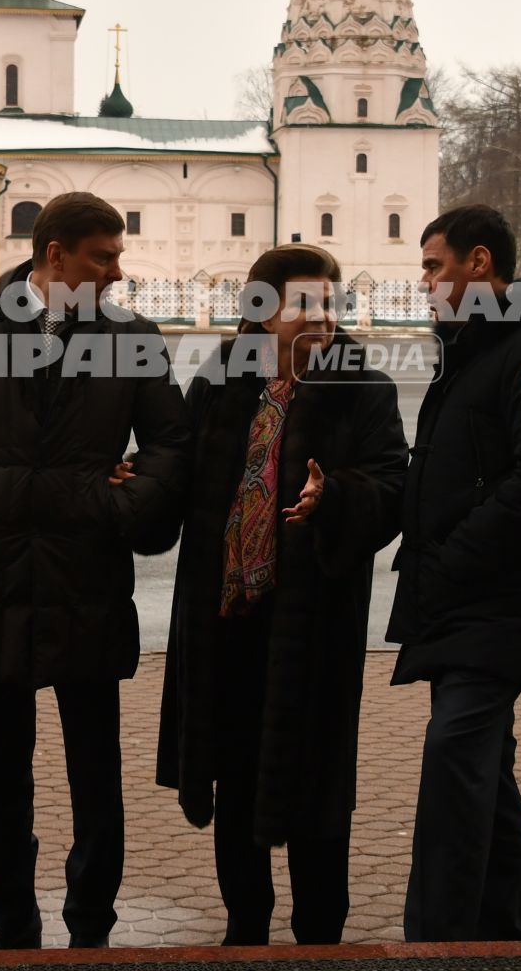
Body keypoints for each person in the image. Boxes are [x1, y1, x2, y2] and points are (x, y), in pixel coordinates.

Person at [0, 192, 192, 950]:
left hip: (88, 575)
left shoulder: (132, 337)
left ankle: (91, 918)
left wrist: (120, 509)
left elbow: (171, 444)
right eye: (104, 257)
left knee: (96, 774)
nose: (118, 273)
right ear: (53, 254)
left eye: (117, 256)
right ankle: (12, 916)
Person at [158, 244, 408, 945]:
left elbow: (392, 486)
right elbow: (177, 476)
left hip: (313, 622)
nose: (322, 317)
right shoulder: (218, 385)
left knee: (317, 786)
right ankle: (245, 925)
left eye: (330, 302)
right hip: (227, 619)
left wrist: (337, 498)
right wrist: (133, 480)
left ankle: (321, 933)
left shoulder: (364, 388)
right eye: (305, 303)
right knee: (234, 778)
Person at [386, 204, 521, 942]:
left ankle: (437, 940)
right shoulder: (471, 349)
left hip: (499, 592)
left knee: (455, 754)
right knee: (482, 761)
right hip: (465, 592)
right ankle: (504, 926)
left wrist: (454, 555)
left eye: (434, 266)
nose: (425, 282)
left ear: (480, 264)